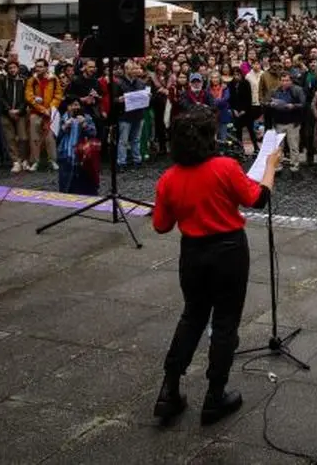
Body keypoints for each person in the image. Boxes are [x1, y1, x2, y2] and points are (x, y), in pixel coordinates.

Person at [151, 106, 280, 426]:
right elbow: (257, 199)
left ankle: (169, 389)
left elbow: (161, 226)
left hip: (192, 252)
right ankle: (215, 395)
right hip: (229, 251)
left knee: (192, 316)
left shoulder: (168, 178)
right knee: (224, 322)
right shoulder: (225, 167)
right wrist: (271, 166)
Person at [56, 97, 99, 195]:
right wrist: (64, 127)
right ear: (67, 107)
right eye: (72, 105)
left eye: (77, 105)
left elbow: (94, 133)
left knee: (82, 183)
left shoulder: (86, 117)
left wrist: (84, 124)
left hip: (82, 154)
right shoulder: (63, 118)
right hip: (66, 155)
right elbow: (57, 137)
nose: (75, 107)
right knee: (65, 183)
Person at [25, 58, 61, 171]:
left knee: (50, 137)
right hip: (36, 112)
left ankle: (52, 160)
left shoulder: (54, 79)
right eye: (37, 66)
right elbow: (29, 97)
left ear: (46, 68)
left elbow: (58, 95)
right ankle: (35, 161)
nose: (38, 68)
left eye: (40, 66)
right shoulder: (31, 80)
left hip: (50, 112)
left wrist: (50, 108)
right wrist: (41, 109)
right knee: (34, 137)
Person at [268, 73, 305, 172]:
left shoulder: (297, 90)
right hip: (279, 122)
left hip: (292, 123)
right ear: (279, 81)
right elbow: (267, 102)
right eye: (283, 80)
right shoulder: (275, 91)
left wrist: (293, 106)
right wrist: (271, 104)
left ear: (291, 81)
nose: (285, 82)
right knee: (279, 146)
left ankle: (295, 164)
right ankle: (279, 164)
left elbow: (303, 104)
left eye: (287, 80)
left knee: (293, 145)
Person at [0, 61, 28, 173]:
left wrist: (19, 110)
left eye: (14, 67)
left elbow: (26, 97)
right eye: (10, 68)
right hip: (6, 113)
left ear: (18, 68)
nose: (12, 70)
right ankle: (15, 161)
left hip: (21, 113)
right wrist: (8, 109)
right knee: (10, 138)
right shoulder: (2, 80)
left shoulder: (24, 80)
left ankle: (23, 159)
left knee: (23, 137)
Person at [116, 59, 149, 167]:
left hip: (138, 115)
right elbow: (113, 99)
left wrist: (148, 97)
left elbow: (146, 98)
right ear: (126, 70)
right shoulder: (118, 83)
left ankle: (137, 159)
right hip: (125, 116)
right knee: (123, 141)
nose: (135, 70)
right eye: (133, 68)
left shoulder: (141, 83)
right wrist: (119, 100)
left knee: (136, 139)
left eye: (136, 68)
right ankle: (122, 161)